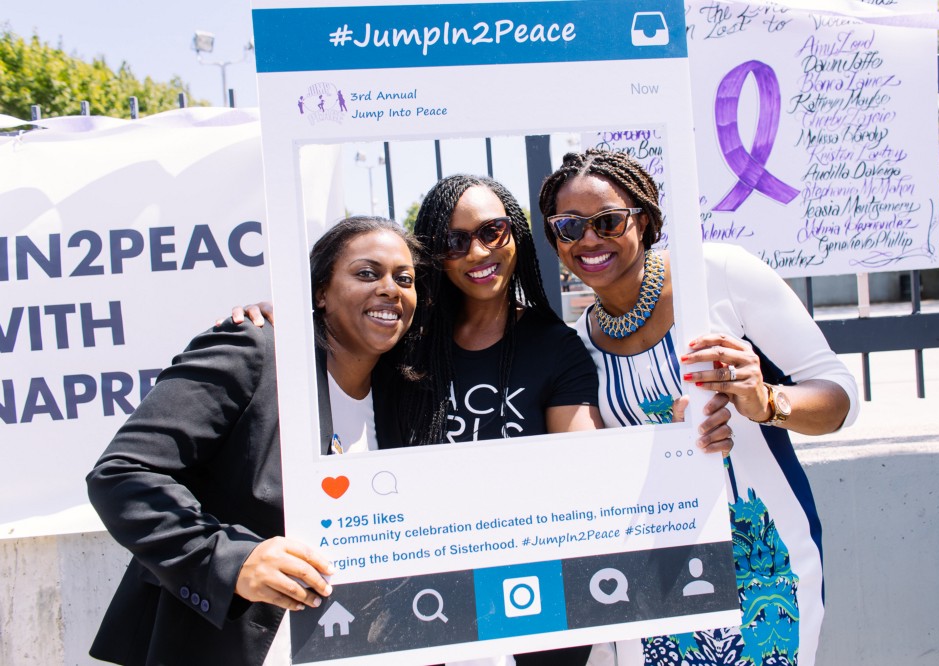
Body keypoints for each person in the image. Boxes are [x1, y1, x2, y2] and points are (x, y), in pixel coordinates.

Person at [234, 174, 735, 666]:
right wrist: (290, 321)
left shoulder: (552, 345)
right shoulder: (402, 340)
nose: (478, 253)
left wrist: (671, 443)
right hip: (423, 601)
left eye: (493, 232)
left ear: (515, 235)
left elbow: (588, 462)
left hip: (539, 599)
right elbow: (337, 348)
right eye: (455, 241)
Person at [537, 149, 859, 666]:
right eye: (569, 226)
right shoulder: (580, 352)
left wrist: (764, 401)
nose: (589, 239)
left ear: (644, 219)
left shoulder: (720, 276)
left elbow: (841, 398)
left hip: (765, 561)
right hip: (654, 578)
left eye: (608, 220)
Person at [86, 217, 421, 665]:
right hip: (227, 647)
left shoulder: (405, 393)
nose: (389, 288)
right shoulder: (257, 349)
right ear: (320, 292)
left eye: (405, 279)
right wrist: (230, 561)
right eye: (366, 273)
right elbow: (122, 473)